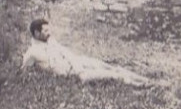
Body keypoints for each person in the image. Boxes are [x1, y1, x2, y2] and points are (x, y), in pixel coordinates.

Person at [21, 18, 149, 87]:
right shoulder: (33, 52)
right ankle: (141, 85)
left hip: (78, 62)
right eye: (46, 31)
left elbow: (66, 53)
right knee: (114, 75)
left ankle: (145, 80)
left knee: (112, 67)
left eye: (49, 30)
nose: (49, 33)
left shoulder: (50, 41)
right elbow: (23, 71)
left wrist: (80, 62)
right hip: (76, 73)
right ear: (37, 33)